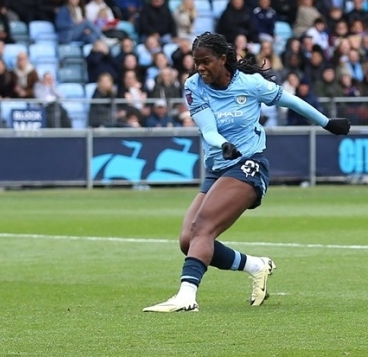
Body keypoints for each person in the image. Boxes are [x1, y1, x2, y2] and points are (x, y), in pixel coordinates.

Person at [143, 32, 350, 313]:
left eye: (205, 61)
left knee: (203, 228)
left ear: (223, 59)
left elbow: (291, 101)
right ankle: (256, 265)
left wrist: (326, 123)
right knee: (188, 241)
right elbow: (208, 131)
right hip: (217, 167)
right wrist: (224, 145)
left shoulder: (250, 84)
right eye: (196, 62)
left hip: (248, 164)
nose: (199, 67)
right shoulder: (194, 86)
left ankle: (186, 296)